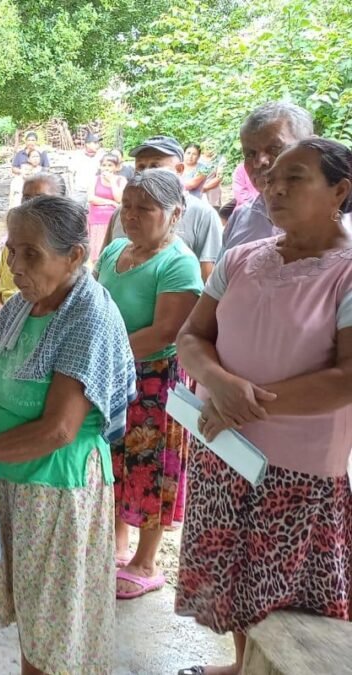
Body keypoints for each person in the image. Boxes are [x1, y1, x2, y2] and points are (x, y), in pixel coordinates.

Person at [174, 139, 352, 675]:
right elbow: (191, 337)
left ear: (340, 191)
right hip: (223, 450)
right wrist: (218, 382)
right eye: (272, 177)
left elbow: (346, 378)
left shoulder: (346, 272)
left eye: (294, 178)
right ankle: (241, 665)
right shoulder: (241, 257)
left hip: (296, 474)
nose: (274, 187)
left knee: (287, 593)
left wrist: (242, 405)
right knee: (233, 578)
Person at [0, 195, 135, 674]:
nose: (16, 265)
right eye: (12, 251)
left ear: (75, 255)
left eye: (31, 254)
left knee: (54, 634)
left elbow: (59, 430)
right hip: (13, 484)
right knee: (36, 628)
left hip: (57, 491)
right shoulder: (23, 305)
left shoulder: (87, 316)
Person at [94, 169, 204, 600]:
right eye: (127, 206)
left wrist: (107, 353)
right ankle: (118, 545)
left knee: (153, 464)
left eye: (145, 208)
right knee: (114, 453)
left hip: (156, 380)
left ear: (175, 213)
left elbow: (165, 332)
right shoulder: (116, 250)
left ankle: (146, 559)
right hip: (112, 372)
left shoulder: (178, 262)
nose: (132, 216)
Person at [102, 136, 224, 280]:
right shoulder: (122, 213)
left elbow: (209, 278)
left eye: (155, 166)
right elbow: (104, 263)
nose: (146, 173)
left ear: (179, 169)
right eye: (140, 167)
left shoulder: (203, 214)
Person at [222, 102, 316, 256]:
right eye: (250, 153)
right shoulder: (241, 217)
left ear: (313, 146)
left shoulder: (340, 224)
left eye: (274, 148)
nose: (260, 162)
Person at [0, 173, 66, 314]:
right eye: (26, 198)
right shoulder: (12, 244)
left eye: (41, 199)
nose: (31, 205)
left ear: (61, 202)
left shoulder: (61, 252)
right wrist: (1, 317)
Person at [87, 153, 127, 263]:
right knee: (97, 250)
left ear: (116, 167)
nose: (107, 168)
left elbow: (119, 199)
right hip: (97, 220)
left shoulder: (121, 180)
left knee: (113, 249)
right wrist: (110, 202)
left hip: (114, 220)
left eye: (110, 165)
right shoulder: (95, 179)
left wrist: (112, 182)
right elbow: (91, 198)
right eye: (104, 165)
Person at [72, 133, 104, 204]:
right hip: (79, 192)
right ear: (87, 144)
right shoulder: (77, 156)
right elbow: (71, 174)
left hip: (96, 193)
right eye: (95, 143)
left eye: (98, 143)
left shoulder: (101, 156)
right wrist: (72, 189)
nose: (98, 145)